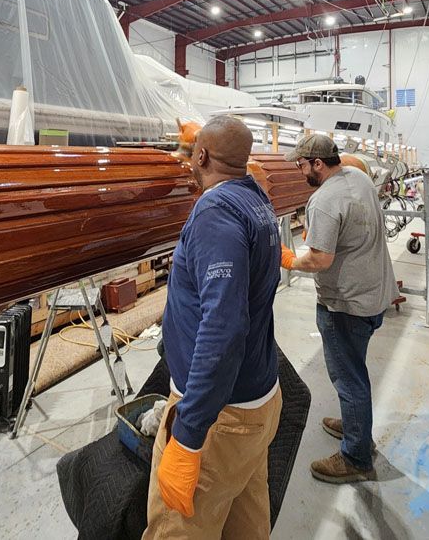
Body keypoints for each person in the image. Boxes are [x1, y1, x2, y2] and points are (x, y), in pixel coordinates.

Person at [145, 116, 283, 539]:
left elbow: (223, 327)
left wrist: (189, 434)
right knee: (246, 523)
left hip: (220, 418)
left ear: (201, 155)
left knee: (179, 528)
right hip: (257, 403)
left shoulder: (215, 212)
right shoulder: (255, 200)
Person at [280, 133, 399, 484]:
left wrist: (290, 260)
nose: (300, 171)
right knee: (355, 368)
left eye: (302, 165)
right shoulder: (358, 178)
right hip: (374, 294)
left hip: (346, 305)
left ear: (318, 163)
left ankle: (356, 458)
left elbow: (320, 259)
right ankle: (354, 425)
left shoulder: (324, 201)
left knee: (349, 379)